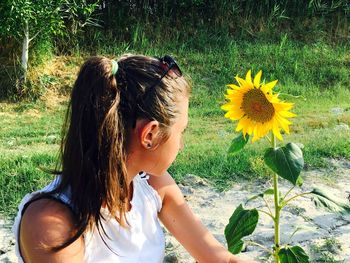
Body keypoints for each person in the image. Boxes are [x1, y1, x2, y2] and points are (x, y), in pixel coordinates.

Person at [12, 54, 257, 263]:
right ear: (149, 134)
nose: (181, 145)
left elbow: (219, 258)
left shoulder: (152, 185)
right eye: (181, 131)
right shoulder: (50, 224)